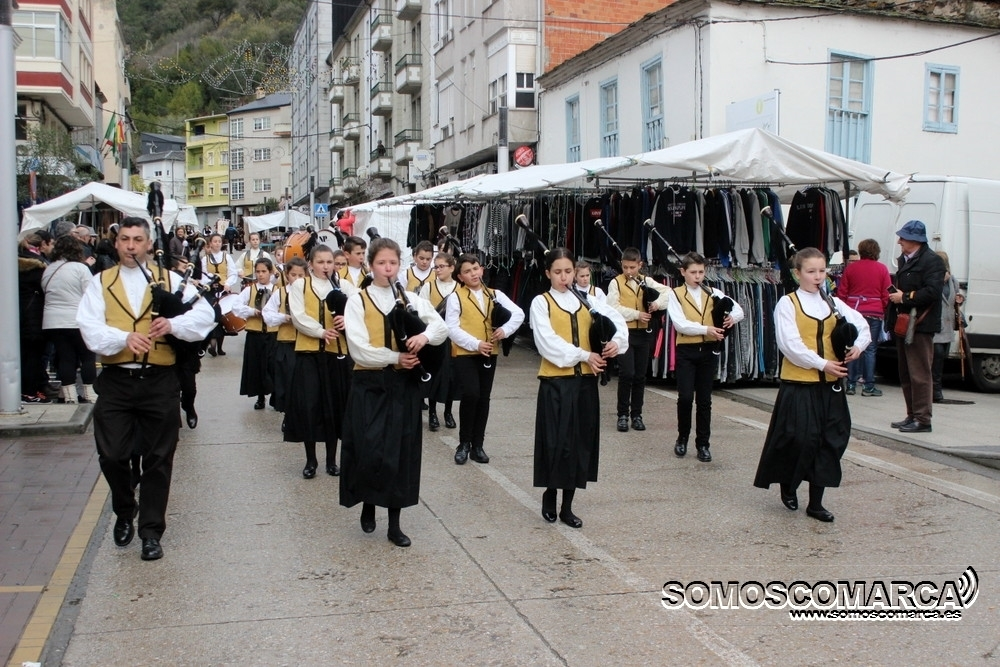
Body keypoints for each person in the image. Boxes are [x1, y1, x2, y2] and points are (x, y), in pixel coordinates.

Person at [76, 217, 216, 560]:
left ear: (149, 244)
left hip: (159, 380)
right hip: (117, 380)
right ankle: (125, 508)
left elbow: (205, 316)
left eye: (138, 239)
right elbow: (89, 328)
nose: (131, 246)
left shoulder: (170, 279)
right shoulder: (101, 282)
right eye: (125, 239)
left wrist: (173, 324)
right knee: (112, 455)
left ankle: (151, 532)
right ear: (116, 242)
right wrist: (123, 338)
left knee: (158, 459)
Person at [341, 237, 448, 547]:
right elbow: (359, 349)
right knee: (370, 449)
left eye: (393, 263)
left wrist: (424, 338)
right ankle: (369, 503)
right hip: (370, 384)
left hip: (403, 386)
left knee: (400, 453)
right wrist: (395, 357)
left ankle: (395, 524)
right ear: (370, 265)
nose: (387, 268)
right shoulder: (357, 301)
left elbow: (440, 328)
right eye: (381, 263)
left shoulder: (410, 298)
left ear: (400, 265)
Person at [753, 247, 870, 523]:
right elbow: (790, 345)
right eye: (811, 271)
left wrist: (858, 347)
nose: (818, 277)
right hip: (799, 384)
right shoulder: (788, 304)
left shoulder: (833, 303)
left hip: (831, 386)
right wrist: (822, 363)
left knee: (830, 441)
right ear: (797, 274)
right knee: (800, 439)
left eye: (822, 271)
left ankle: (816, 503)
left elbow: (862, 326)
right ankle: (788, 483)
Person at [531, 248, 627, 528]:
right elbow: (547, 342)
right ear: (548, 273)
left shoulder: (590, 300)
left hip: (585, 384)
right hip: (555, 382)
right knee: (556, 442)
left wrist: (615, 344)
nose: (564, 277)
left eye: (568, 271)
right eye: (557, 272)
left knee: (579, 444)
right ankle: (550, 492)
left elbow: (617, 323)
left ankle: (568, 506)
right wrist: (585, 355)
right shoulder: (541, 302)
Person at [445, 253, 525, 465]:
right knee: (471, 394)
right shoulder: (455, 297)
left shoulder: (495, 294)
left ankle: (477, 445)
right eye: (467, 271)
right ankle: (464, 443)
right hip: (466, 353)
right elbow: (452, 328)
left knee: (484, 398)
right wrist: (475, 343)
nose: (473, 274)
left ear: (482, 269)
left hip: (490, 352)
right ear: (460, 277)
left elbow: (519, 314)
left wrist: (505, 331)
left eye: (475, 268)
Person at [665, 252, 745, 462]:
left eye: (701, 272)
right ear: (683, 272)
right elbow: (680, 324)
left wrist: (731, 318)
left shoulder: (713, 292)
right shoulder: (675, 294)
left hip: (708, 351)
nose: (698, 276)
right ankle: (682, 437)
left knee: (704, 400)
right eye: (693, 272)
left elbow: (739, 310)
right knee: (685, 397)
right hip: (687, 351)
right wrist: (706, 329)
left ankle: (703, 444)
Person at [286, 245, 355, 479]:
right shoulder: (300, 285)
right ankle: (311, 460)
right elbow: (298, 316)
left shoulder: (344, 286)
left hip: (336, 354)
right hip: (309, 354)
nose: (326, 266)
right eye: (320, 262)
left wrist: (346, 320)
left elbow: (359, 309)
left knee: (333, 406)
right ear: (311, 264)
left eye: (329, 262)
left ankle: (331, 460)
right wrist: (321, 331)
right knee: (310, 406)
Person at [886, 220, 946, 433]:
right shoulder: (905, 259)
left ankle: (923, 419)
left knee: (920, 374)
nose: (899, 241)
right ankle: (912, 415)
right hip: (904, 323)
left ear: (915, 240)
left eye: (903, 238)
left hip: (920, 325)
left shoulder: (932, 261)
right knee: (906, 373)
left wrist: (904, 297)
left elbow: (933, 292)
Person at [606, 247, 671, 432]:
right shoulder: (615, 283)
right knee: (627, 373)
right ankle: (622, 415)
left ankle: (637, 414)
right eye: (625, 267)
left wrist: (657, 304)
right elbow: (612, 307)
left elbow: (668, 292)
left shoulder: (646, 281)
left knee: (640, 376)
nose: (628, 271)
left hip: (643, 334)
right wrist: (636, 314)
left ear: (640, 265)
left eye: (632, 267)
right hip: (624, 333)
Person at [42, 236, 98, 404]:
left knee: (66, 357)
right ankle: (90, 394)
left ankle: (69, 396)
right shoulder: (80, 268)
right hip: (77, 319)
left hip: (53, 321)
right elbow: (90, 293)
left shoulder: (49, 269)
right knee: (87, 357)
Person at [838, 239, 891, 397]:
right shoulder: (882, 269)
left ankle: (851, 384)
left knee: (853, 347)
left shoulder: (851, 268)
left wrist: (844, 310)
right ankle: (868, 385)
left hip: (854, 311)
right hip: (874, 312)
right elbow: (886, 293)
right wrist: (882, 307)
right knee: (870, 349)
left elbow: (842, 292)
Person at [419, 252, 460, 431]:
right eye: (436, 267)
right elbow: (421, 312)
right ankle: (433, 413)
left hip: (453, 338)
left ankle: (448, 412)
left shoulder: (459, 288)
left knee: (451, 376)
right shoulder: (428, 287)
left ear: (452, 268)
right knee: (434, 374)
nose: (438, 270)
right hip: (435, 337)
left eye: (442, 266)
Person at [263, 257, 308, 416]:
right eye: (293, 275)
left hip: (306, 343)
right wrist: (283, 318)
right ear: (287, 275)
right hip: (286, 343)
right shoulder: (280, 293)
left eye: (301, 275)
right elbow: (267, 314)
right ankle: (287, 414)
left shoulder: (310, 292)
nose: (297, 279)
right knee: (286, 379)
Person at [233, 258, 277, 410]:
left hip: (273, 334)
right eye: (258, 272)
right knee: (257, 366)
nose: (260, 275)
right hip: (255, 334)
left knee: (273, 366)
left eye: (264, 271)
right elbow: (236, 306)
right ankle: (260, 396)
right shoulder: (250, 290)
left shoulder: (277, 290)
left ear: (270, 272)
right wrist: (252, 311)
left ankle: (276, 395)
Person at [18, 232, 52, 403]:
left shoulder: (12, 267)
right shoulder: (38, 269)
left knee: (24, 355)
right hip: (35, 317)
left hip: (18, 316)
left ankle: (26, 390)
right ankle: (30, 392)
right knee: (34, 356)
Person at [932, 251, 963, 403]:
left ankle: (935, 389)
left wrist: (960, 299)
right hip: (935, 325)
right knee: (936, 357)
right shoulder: (931, 280)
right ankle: (935, 391)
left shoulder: (953, 281)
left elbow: (956, 298)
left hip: (948, 324)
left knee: (941, 359)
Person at [202, 233, 239, 356]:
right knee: (213, 316)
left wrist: (228, 283)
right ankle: (212, 345)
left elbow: (232, 273)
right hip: (210, 291)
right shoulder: (205, 259)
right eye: (215, 241)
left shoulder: (226, 257)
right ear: (210, 243)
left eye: (219, 241)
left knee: (223, 317)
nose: (217, 243)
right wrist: (208, 283)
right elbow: (202, 275)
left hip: (223, 290)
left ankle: (220, 347)